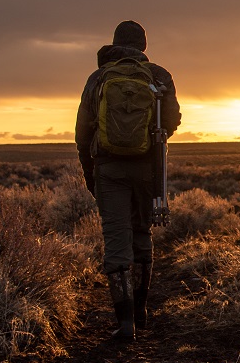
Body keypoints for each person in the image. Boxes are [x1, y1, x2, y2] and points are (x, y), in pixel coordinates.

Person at [75, 20, 181, 342]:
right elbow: (173, 119)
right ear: (143, 46)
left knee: (115, 238)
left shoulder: (98, 78)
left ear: (115, 43)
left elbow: (83, 132)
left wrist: (90, 174)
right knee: (141, 231)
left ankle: (124, 323)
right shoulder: (159, 76)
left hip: (108, 169)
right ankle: (142, 310)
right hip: (148, 168)